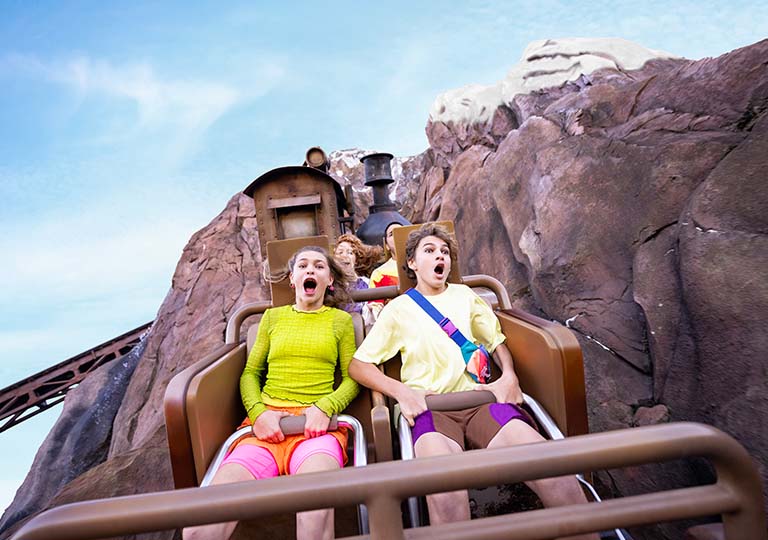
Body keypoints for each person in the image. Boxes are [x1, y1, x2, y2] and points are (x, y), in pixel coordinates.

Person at [348, 224, 597, 539]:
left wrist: (508, 376)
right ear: (411, 262)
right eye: (429, 250)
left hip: (479, 403)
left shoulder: (466, 296)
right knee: (446, 493)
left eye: (444, 252)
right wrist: (401, 392)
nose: (440, 256)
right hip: (432, 411)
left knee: (554, 472)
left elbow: (496, 342)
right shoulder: (398, 309)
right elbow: (359, 365)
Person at [184, 246, 359, 540]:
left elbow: (352, 377)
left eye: (319, 266)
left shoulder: (340, 322)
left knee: (314, 512)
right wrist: (259, 414)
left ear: (329, 280)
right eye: (303, 266)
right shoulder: (272, 318)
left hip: (315, 428)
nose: (310, 271)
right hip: (265, 429)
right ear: (292, 279)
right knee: (198, 528)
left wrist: (326, 407)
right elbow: (250, 374)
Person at [367, 221, 404, 321]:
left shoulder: (423, 265)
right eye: (392, 234)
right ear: (387, 246)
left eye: (400, 232)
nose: (397, 235)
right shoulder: (380, 273)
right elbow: (375, 306)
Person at [334, 233, 372, 322]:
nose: (344, 256)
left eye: (350, 252)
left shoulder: (367, 283)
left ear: (356, 260)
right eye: (340, 252)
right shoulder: (331, 285)